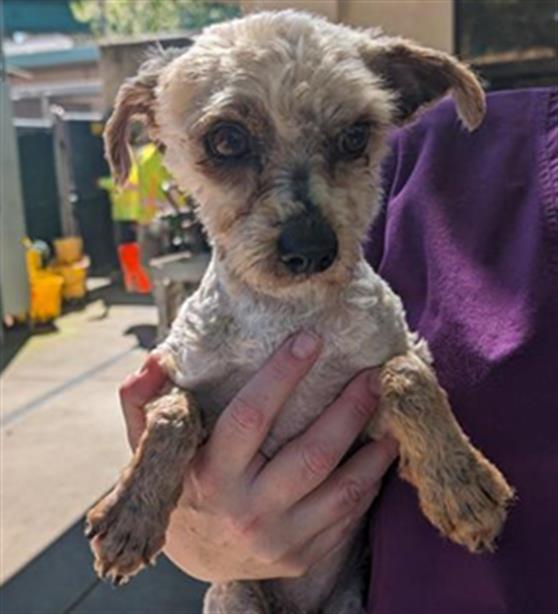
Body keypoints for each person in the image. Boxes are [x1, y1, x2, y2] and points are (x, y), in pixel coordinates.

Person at [118, 87, 557, 614]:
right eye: (228, 141)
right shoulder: (422, 153)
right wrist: (196, 536)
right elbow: (201, 497)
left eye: (348, 141)